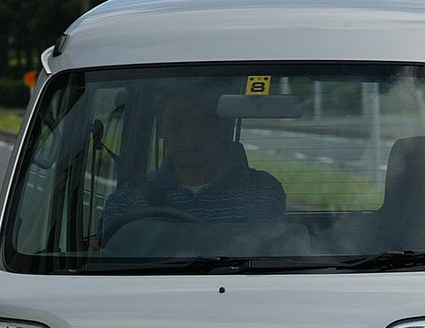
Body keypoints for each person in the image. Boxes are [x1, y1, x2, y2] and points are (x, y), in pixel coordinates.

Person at [100, 91, 286, 243]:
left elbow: (262, 250)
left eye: (201, 124)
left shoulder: (259, 190)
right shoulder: (127, 200)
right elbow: (106, 260)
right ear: (161, 128)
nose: (188, 136)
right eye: (176, 123)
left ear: (221, 129)